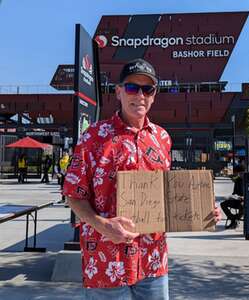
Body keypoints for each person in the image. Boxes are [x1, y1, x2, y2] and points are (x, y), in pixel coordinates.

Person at [63, 58, 221, 300]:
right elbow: (74, 195)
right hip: (107, 263)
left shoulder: (162, 138)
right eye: (131, 87)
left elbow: (167, 195)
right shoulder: (93, 137)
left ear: (154, 95)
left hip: (153, 261)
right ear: (118, 92)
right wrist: (103, 225)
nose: (140, 95)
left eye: (148, 89)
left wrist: (201, 210)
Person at [220, 164, 245, 229]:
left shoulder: (248, 181)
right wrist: (231, 197)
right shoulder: (238, 180)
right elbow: (235, 192)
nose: (239, 175)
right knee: (223, 204)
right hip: (237, 200)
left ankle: (236, 219)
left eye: (240, 173)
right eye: (238, 173)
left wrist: (243, 198)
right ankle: (233, 219)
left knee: (242, 206)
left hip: (244, 201)